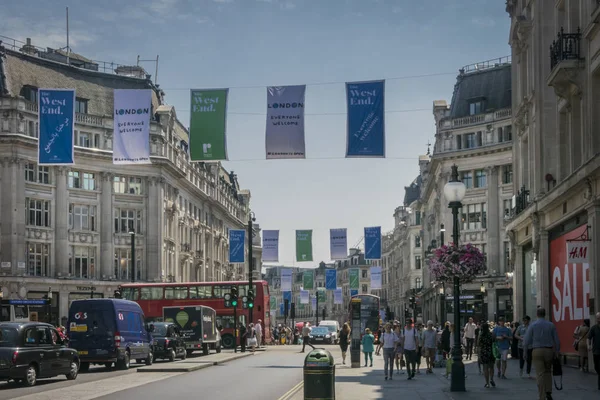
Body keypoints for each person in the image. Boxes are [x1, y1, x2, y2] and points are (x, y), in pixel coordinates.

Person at [523, 308, 560, 400]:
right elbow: (557, 341)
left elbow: (526, 340)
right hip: (548, 350)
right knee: (548, 371)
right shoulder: (551, 325)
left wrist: (525, 352)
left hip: (537, 350)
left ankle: (541, 396)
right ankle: (548, 392)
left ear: (537, 314)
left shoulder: (533, 325)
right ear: (545, 314)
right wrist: (557, 352)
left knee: (540, 374)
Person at [478, 322, 496, 388]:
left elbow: (479, 345)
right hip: (490, 351)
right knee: (491, 367)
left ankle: (487, 383)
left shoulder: (481, 335)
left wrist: (479, 355)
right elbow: (494, 342)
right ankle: (491, 378)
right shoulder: (491, 334)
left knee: (485, 368)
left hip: (484, 352)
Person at [587, 311, 600, 390]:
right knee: (597, 368)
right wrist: (589, 345)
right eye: (598, 318)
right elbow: (589, 337)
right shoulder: (594, 328)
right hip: (596, 351)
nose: (599, 320)